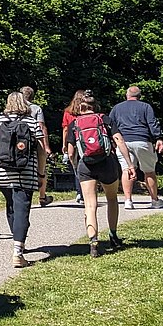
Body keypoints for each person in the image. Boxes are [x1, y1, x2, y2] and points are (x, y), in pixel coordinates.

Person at [65, 91, 137, 257]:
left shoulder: (74, 124)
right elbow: (119, 141)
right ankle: (113, 235)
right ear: (95, 106)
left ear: (80, 107)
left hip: (86, 166)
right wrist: (129, 164)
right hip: (107, 163)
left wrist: (76, 166)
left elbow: (70, 152)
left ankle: (93, 242)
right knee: (112, 199)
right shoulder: (104, 119)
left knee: (90, 205)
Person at [0, 93, 43, 267]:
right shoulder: (31, 122)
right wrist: (41, 172)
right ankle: (18, 250)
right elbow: (41, 150)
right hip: (26, 172)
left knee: (11, 207)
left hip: (2, 171)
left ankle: (18, 242)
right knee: (22, 209)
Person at [108, 85, 163, 209]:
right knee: (149, 171)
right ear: (139, 97)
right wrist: (159, 138)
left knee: (127, 170)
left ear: (126, 95)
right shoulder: (146, 107)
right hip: (143, 141)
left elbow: (110, 125)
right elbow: (152, 123)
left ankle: (128, 201)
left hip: (123, 142)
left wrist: (112, 141)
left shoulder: (117, 108)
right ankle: (154, 200)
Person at [19, 85, 53, 206]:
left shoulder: (14, 108)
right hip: (34, 142)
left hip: (18, 144)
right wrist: (46, 146)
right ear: (32, 97)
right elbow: (41, 127)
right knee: (41, 170)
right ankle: (42, 197)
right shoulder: (36, 108)